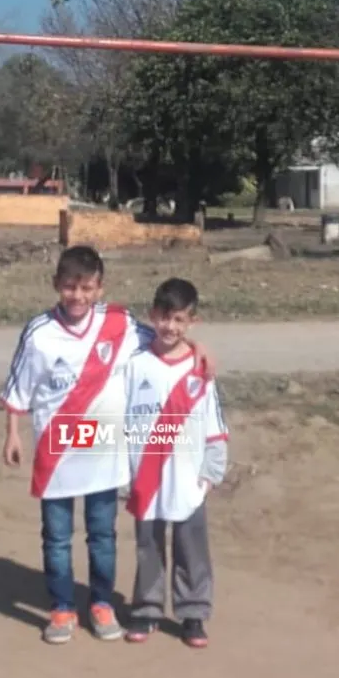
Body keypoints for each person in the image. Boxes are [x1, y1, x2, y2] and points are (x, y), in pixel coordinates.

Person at [0, 246, 213, 646]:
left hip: (103, 445)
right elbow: (19, 386)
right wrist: (12, 432)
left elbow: (165, 339)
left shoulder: (120, 324)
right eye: (70, 287)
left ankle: (101, 603)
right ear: (56, 285)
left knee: (102, 534)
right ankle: (62, 607)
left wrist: (197, 347)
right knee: (57, 536)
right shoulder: (39, 333)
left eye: (86, 288)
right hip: (58, 447)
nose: (77, 296)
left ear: (100, 289)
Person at [122, 278, 229, 649]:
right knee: (147, 547)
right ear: (153, 315)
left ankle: (193, 612)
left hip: (188, 478)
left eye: (179, 320)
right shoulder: (135, 365)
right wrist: (120, 473)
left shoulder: (200, 371)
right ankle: (147, 608)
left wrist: (210, 474)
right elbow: (116, 420)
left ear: (192, 322)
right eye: (164, 317)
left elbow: (215, 427)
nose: (170, 327)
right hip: (145, 476)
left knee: (191, 548)